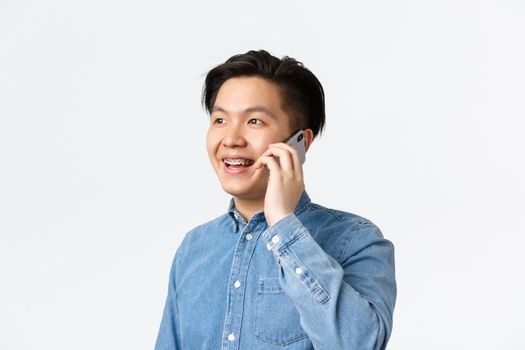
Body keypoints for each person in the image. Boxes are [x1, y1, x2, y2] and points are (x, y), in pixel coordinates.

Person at [155, 50, 396, 350]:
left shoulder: (356, 240)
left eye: (254, 121)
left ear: (300, 143)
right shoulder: (194, 248)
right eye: (220, 120)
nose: (231, 139)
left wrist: (283, 224)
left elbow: (360, 345)